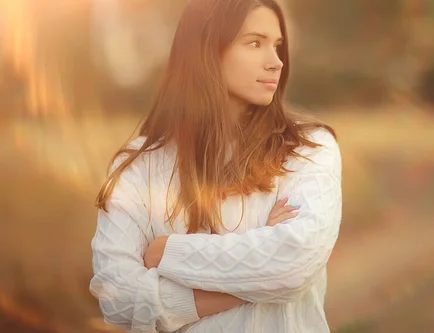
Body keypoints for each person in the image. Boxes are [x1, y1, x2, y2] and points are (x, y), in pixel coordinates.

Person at [89, 0, 342, 332]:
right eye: (255, 43)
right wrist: (260, 260)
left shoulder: (307, 151)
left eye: (277, 46)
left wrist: (167, 253)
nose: (276, 62)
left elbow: (295, 263)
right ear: (207, 50)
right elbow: (117, 296)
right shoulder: (140, 166)